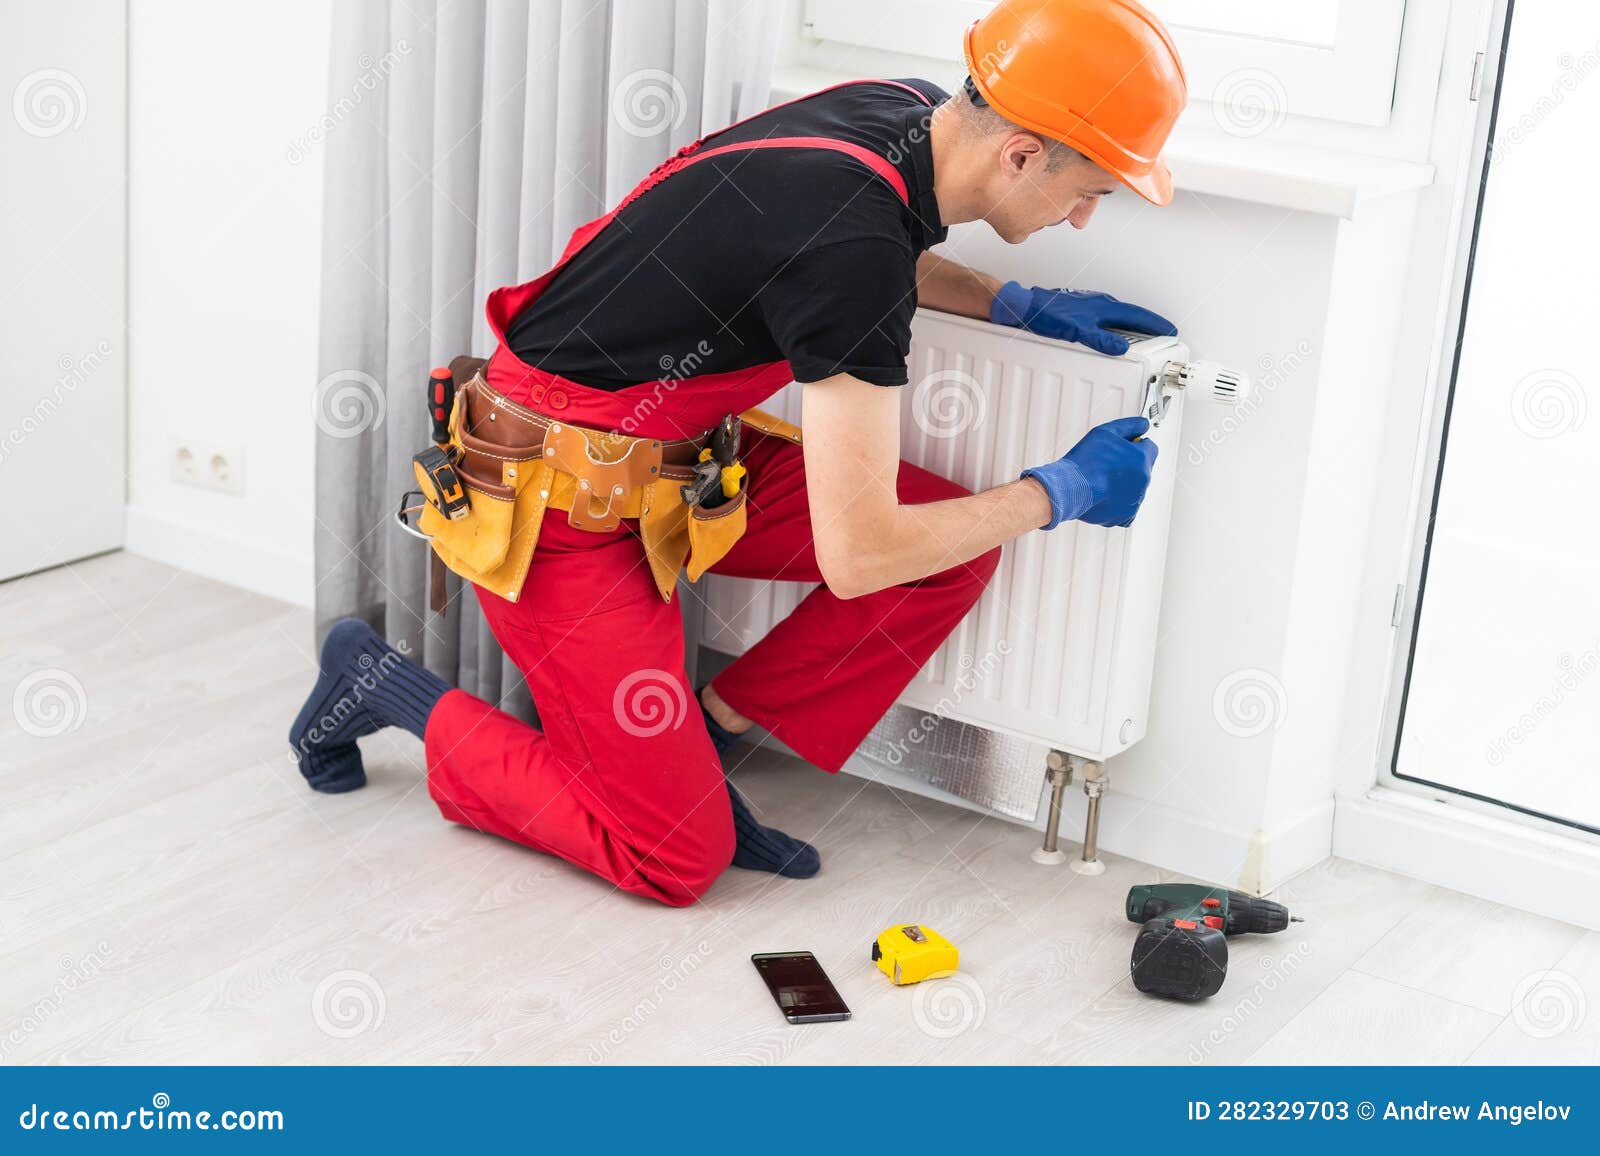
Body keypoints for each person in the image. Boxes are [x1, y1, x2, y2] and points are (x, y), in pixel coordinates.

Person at [290, 0, 1187, 906]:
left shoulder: (897, 112)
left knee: (946, 559)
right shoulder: (855, 239)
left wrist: (1005, 303)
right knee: (674, 859)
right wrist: (1055, 493)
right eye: (1089, 190)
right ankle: (378, 680)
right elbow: (861, 550)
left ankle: (705, 745)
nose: (1081, 219)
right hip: (555, 501)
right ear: (1021, 154)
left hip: (683, 464)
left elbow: (831, 253)